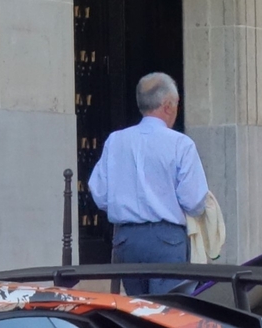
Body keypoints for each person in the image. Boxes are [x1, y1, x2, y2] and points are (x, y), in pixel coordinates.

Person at [88, 73, 207, 294]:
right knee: (168, 314)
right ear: (168, 105)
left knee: (137, 313)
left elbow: (100, 194)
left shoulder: (115, 141)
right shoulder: (181, 144)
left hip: (127, 240)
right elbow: (194, 202)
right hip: (167, 239)